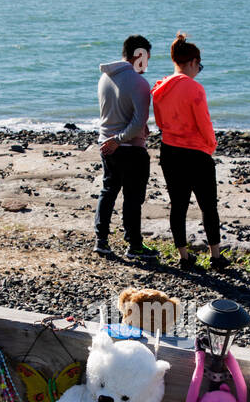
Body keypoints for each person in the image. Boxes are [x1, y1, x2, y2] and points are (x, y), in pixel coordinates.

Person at [151, 33, 227, 272]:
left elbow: (161, 123)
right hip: (195, 153)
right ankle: (215, 256)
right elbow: (204, 122)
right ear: (193, 61)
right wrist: (211, 145)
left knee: (178, 205)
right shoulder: (194, 88)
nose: (198, 70)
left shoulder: (159, 88)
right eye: (199, 65)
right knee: (208, 205)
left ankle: (184, 257)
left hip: (170, 151)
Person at [95, 34, 157, 260]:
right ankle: (134, 246)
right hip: (129, 148)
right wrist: (120, 139)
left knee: (108, 191)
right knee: (133, 198)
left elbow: (115, 113)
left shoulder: (105, 78)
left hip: (106, 145)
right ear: (138, 55)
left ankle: (101, 241)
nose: (147, 64)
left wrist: (112, 140)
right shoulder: (139, 83)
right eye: (146, 58)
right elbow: (137, 122)